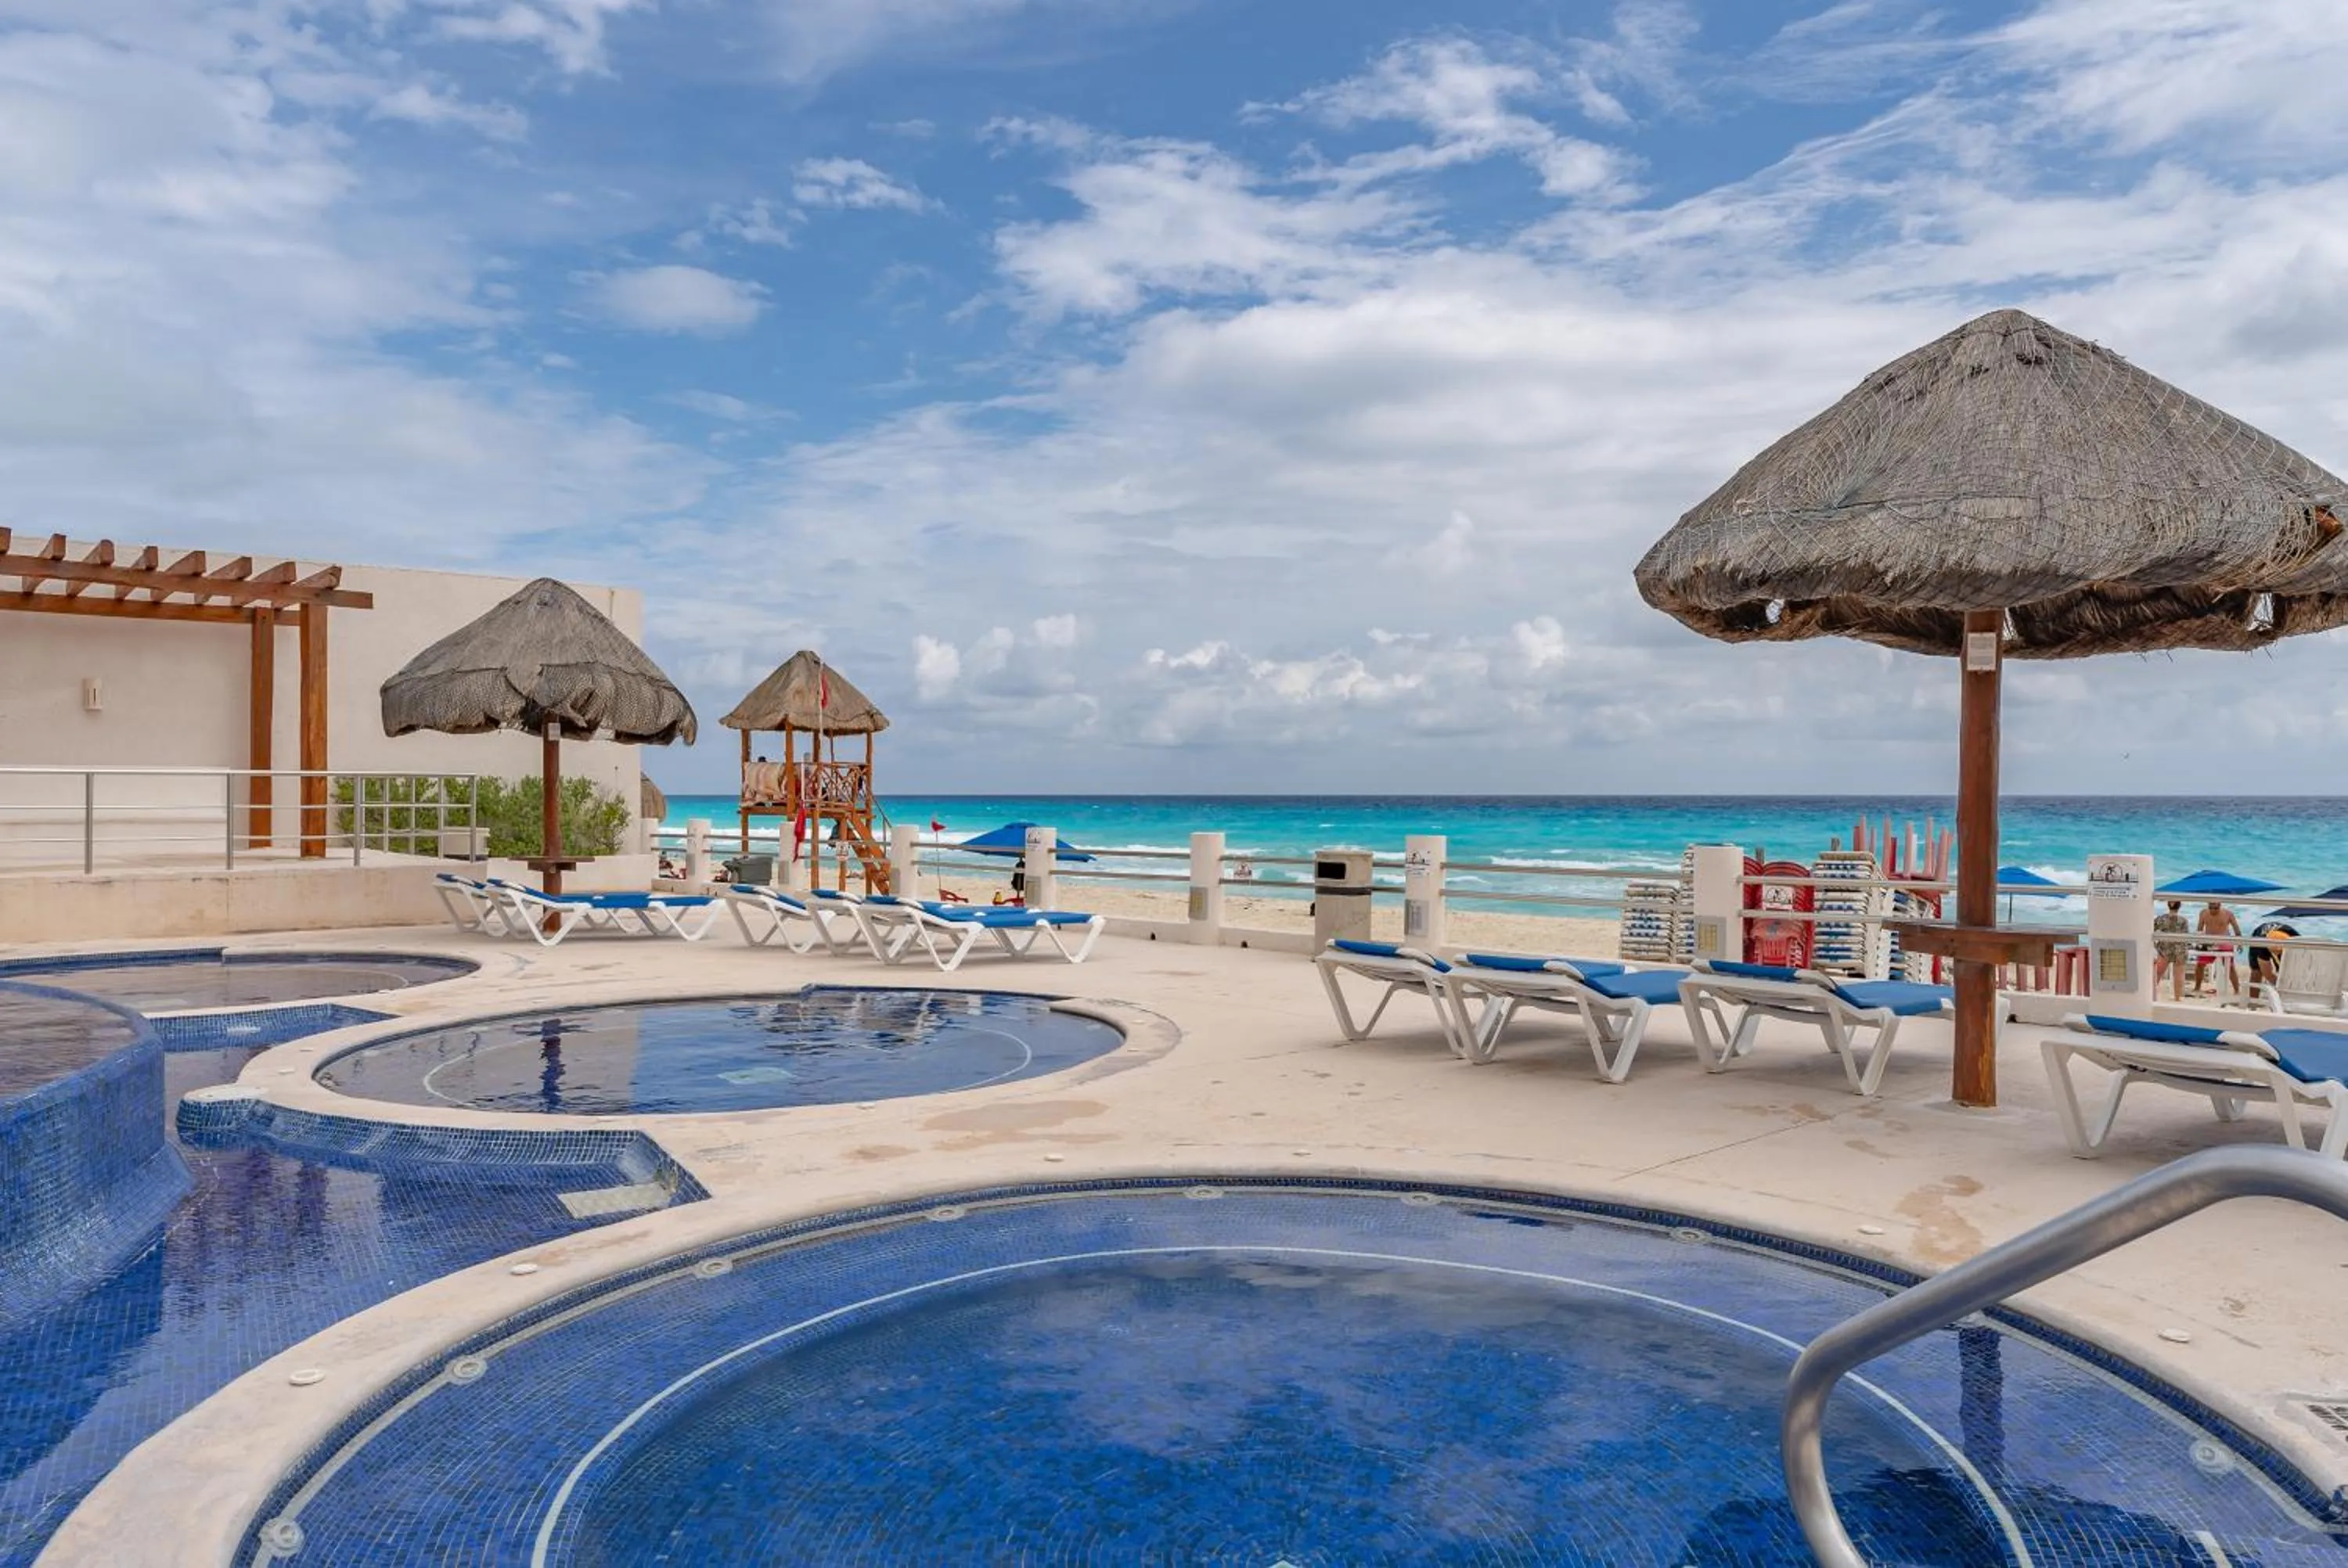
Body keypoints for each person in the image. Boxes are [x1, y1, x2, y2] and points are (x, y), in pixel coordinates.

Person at [2195, 899, 2243, 995]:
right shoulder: (2203, 913)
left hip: (2224, 942)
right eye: (2211, 908)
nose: (2213, 910)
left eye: (2216, 908)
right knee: (2200, 964)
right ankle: (2197, 987)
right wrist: (2198, 943)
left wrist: (2240, 943)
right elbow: (2199, 930)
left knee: (2230, 967)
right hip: (2209, 943)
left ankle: (2237, 990)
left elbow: (2237, 930)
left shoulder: (2228, 914)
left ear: (2220, 905)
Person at [2248, 916, 2301, 996]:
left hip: (2281, 937)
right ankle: (2253, 1002)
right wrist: (2279, 985)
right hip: (2260, 936)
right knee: (2256, 971)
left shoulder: (2297, 939)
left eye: (2279, 952)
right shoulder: (2262, 947)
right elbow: (2268, 975)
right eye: (2275, 953)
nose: (2276, 954)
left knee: (2286, 969)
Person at [2152, 899, 2190, 1001]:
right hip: (2180, 949)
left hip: (2165, 948)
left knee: (2157, 974)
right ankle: (2177, 998)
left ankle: (2151, 995)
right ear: (2179, 906)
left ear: (2168, 905)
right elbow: (2186, 937)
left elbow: (2151, 930)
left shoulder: (2161, 919)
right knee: (2179, 974)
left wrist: (2156, 944)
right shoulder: (2183, 920)